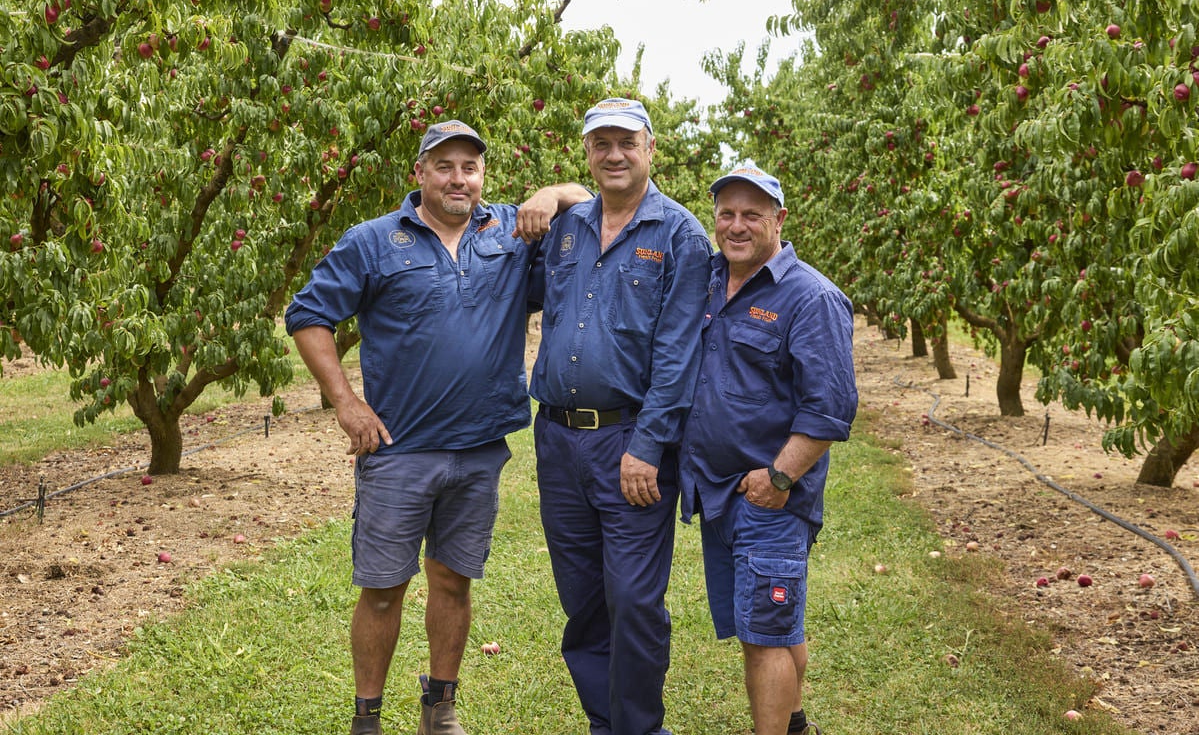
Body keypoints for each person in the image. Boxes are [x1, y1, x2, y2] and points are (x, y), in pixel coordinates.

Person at [284, 120, 589, 735]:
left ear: (483, 175)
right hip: (400, 450)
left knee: (453, 580)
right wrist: (345, 402)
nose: (459, 178)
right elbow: (307, 316)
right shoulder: (374, 242)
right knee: (382, 587)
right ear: (419, 173)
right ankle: (366, 717)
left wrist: (555, 191)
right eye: (444, 166)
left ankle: (439, 708)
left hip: (479, 449)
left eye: (470, 167)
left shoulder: (508, 232)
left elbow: (589, 204)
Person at [527, 98, 713, 735]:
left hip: (629, 441)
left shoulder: (680, 235)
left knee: (632, 599)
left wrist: (649, 444)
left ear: (650, 149)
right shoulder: (568, 226)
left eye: (626, 143)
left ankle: (638, 725)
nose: (614, 155)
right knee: (581, 599)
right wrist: (552, 193)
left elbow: (679, 350)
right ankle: (605, 721)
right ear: (587, 152)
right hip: (555, 437)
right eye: (601, 143)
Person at [678, 162, 858, 735]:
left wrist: (779, 479)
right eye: (726, 214)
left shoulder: (811, 298)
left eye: (751, 215)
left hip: (768, 498)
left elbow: (829, 411)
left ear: (779, 219)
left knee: (764, 637)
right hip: (719, 493)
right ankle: (796, 723)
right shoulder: (709, 280)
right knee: (773, 622)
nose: (736, 226)